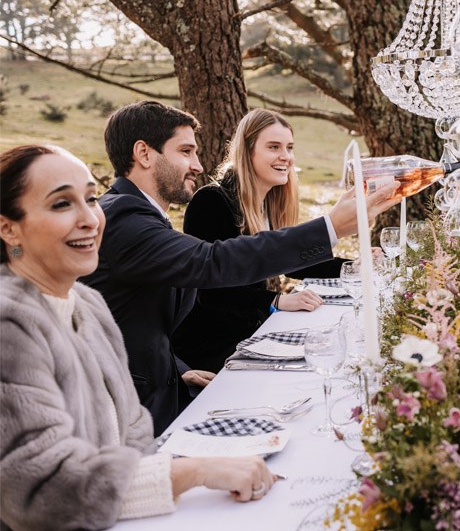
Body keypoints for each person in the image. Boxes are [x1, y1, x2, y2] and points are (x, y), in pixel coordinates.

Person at [0, 145, 280, 530]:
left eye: (91, 198)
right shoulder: (9, 324)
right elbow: (43, 491)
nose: (90, 219)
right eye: (62, 204)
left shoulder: (86, 304)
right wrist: (193, 472)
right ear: (8, 227)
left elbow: (132, 434)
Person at [80, 100, 399, 435]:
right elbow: (212, 262)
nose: (198, 166)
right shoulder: (124, 218)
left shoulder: (141, 218)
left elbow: (130, 321)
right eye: (186, 151)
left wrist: (177, 369)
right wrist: (329, 227)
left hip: (166, 384)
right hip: (130, 414)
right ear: (144, 154)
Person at [174, 109, 346, 372]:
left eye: (289, 147)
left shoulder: (268, 204)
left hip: (251, 336)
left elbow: (292, 261)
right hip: (211, 348)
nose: (285, 157)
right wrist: (275, 301)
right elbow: (210, 293)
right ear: (248, 151)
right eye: (273, 147)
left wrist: (353, 267)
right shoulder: (211, 202)